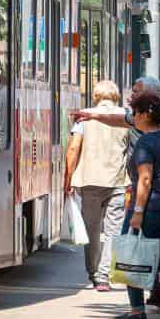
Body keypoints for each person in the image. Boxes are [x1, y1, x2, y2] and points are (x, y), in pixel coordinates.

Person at [118, 91, 160, 319]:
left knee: (132, 256)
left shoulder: (145, 142)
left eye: (135, 112)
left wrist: (137, 212)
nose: (133, 116)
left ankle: (137, 310)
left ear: (145, 114)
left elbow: (145, 178)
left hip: (148, 208)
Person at [66, 80, 130, 291]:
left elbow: (74, 148)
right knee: (114, 230)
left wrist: (68, 178)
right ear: (116, 96)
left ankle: (94, 272)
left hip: (89, 180)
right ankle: (104, 275)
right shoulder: (124, 116)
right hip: (117, 180)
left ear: (95, 96)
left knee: (92, 229)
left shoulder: (86, 115)